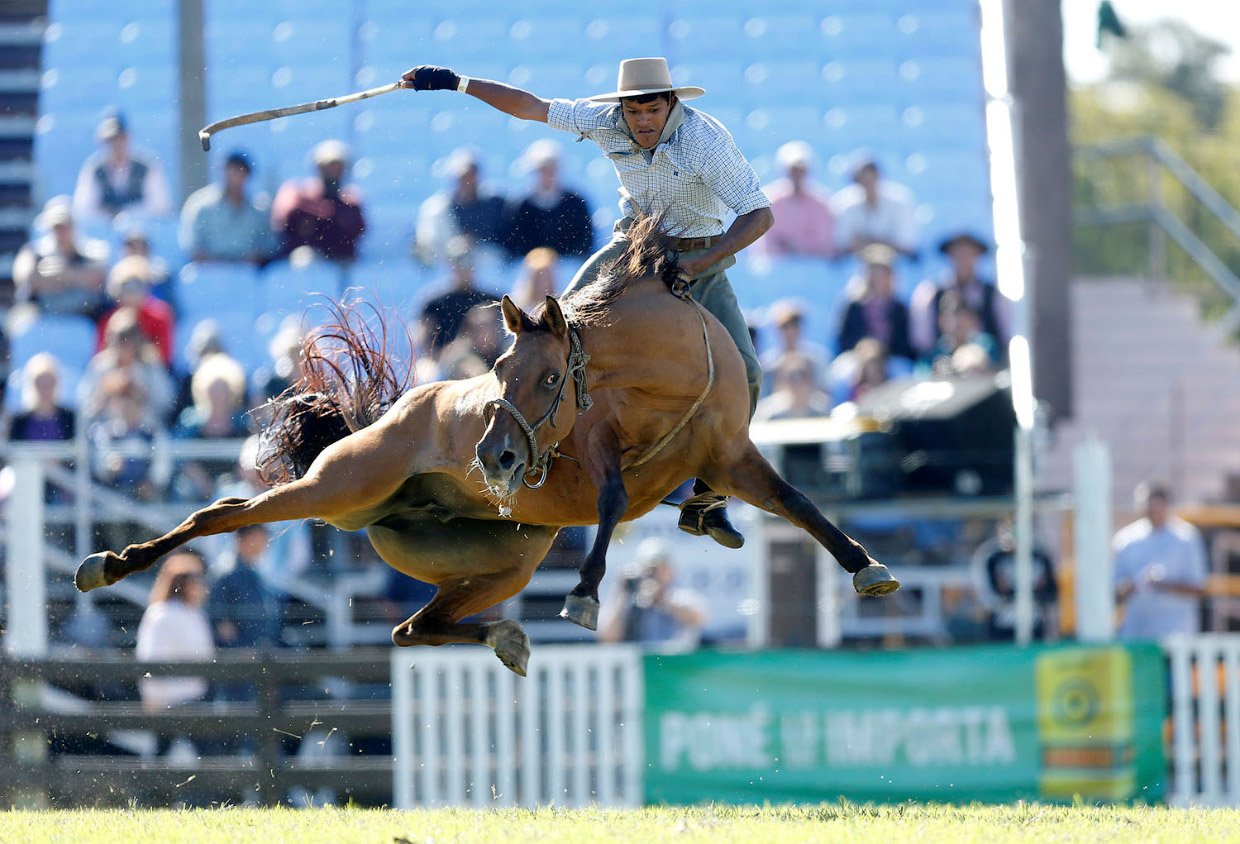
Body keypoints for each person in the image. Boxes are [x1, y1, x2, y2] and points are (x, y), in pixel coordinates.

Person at [402, 58, 774, 548]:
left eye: (653, 110)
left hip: (700, 256)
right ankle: (532, 450)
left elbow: (760, 215)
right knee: (549, 333)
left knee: (747, 371)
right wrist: (457, 82)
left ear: (671, 104)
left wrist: (698, 265)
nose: (643, 120)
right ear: (621, 109)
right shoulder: (605, 120)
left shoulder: (705, 140)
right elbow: (530, 107)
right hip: (631, 247)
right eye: (634, 111)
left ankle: (708, 498)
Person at [1113, 483, 1208, 639]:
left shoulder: (1186, 538)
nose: (1153, 512)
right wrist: (1133, 585)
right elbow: (1115, 590)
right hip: (1137, 633)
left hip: (1176, 633)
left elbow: (1198, 587)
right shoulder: (1126, 539)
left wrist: (1162, 584)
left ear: (1166, 506)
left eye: (1157, 507)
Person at [135, 551, 214, 711]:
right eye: (197, 582)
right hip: (169, 701)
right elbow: (150, 657)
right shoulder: (163, 614)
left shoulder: (194, 613)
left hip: (195, 696)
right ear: (185, 585)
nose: (203, 588)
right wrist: (153, 700)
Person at [910, 232, 1009, 358]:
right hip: (943, 363)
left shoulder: (994, 294)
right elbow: (922, 342)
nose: (963, 259)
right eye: (958, 254)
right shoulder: (931, 293)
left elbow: (1006, 336)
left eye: (968, 254)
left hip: (986, 364)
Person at [599, 538, 706, 651]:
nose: (654, 574)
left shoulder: (683, 597)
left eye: (660, 568)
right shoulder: (630, 602)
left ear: (671, 571)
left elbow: (697, 618)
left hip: (677, 660)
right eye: (649, 568)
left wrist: (660, 597)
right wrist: (621, 592)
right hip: (641, 660)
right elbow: (608, 638)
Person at [13, 196, 109, 318]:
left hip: (84, 317)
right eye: (57, 227)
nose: (61, 232)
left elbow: (100, 278)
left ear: (74, 226)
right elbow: (26, 280)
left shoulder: (92, 253)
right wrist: (78, 278)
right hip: (44, 318)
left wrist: (63, 275)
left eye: (65, 226)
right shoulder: (33, 253)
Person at [271, 139, 366, 262]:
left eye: (338, 168)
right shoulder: (299, 194)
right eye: (328, 167)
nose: (333, 173)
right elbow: (283, 225)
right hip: (303, 259)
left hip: (339, 261)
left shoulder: (351, 202)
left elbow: (355, 235)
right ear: (318, 168)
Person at [501, 139, 594, 261]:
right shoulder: (519, 206)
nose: (547, 175)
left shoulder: (576, 204)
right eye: (542, 170)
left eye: (551, 170)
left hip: (569, 266)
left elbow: (585, 243)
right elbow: (512, 246)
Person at [78, 307, 175, 424]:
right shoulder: (100, 366)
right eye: (119, 342)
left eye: (128, 342)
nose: (123, 348)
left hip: (144, 428)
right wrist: (105, 391)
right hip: (104, 427)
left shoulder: (149, 365)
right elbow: (84, 405)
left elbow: (165, 403)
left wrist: (137, 392)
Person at [72, 110, 172, 222]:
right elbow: (83, 210)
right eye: (110, 140)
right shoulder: (94, 169)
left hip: (141, 229)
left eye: (119, 138)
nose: (115, 144)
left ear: (127, 137)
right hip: (105, 230)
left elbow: (161, 207)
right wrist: (109, 215)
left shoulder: (146, 167)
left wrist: (128, 215)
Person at [180, 149, 276, 264]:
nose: (235, 178)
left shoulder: (258, 211)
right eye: (231, 171)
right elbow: (192, 246)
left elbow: (268, 247)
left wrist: (250, 261)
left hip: (246, 271)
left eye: (240, 172)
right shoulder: (201, 206)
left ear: (247, 175)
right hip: (208, 270)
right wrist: (216, 264)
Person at [415, 147, 507, 265]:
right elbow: (427, 252)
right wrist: (455, 249)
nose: (468, 181)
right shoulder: (436, 210)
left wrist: (476, 244)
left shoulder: (495, 205)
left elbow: (503, 251)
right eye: (463, 177)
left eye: (472, 175)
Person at [974, 517, 1059, 642]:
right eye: (1007, 531)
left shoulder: (1040, 557)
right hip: (1001, 625)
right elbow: (988, 592)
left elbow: (1050, 591)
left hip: (1034, 622)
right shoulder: (992, 558)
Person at [418, 238, 500, 357]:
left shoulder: (493, 301)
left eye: (469, 261)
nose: (465, 267)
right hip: (444, 360)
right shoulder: (434, 303)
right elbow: (422, 339)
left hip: (489, 359)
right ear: (450, 265)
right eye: (460, 261)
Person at [831, 153, 918, 259]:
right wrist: (881, 244)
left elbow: (906, 243)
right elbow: (842, 243)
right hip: (859, 263)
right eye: (859, 179)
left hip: (896, 263)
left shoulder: (900, 200)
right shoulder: (845, 203)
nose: (864, 183)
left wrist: (868, 244)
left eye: (867, 177)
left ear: (877, 175)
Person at [836, 244, 914, 362]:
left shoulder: (899, 309)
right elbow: (845, 339)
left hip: (890, 360)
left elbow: (904, 344)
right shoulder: (854, 306)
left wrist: (882, 352)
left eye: (882, 273)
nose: (878, 278)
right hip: (858, 359)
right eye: (875, 273)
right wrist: (864, 350)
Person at [759, 140, 835, 259]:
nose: (797, 175)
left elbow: (824, 242)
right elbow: (766, 242)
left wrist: (800, 248)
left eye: (801, 170)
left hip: (813, 264)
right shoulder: (771, 201)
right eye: (793, 170)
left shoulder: (821, 203)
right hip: (779, 265)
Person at [96, 255, 175, 366]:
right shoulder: (108, 320)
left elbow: (164, 355)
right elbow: (101, 355)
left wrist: (136, 352)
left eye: (137, 285)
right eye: (126, 286)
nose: (131, 292)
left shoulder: (159, 316)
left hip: (148, 370)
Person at [208, 523, 278, 650]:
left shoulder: (253, 571)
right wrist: (240, 649)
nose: (264, 544)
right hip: (240, 654)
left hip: (257, 650)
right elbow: (221, 624)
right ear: (242, 538)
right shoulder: (227, 572)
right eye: (258, 538)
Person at [759, 298, 830, 395]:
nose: (790, 332)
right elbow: (762, 397)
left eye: (794, 325)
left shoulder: (817, 360)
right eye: (784, 327)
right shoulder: (767, 365)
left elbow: (824, 393)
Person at [9, 352, 75, 442]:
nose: (45, 389)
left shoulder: (70, 418)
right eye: (41, 383)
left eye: (49, 383)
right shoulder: (18, 421)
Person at [754, 352, 832, 422]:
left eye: (803, 375)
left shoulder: (823, 412)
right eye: (792, 377)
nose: (798, 383)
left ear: (811, 380)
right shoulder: (769, 415)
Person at [509, 246, 560, 311]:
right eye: (540, 278)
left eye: (548, 278)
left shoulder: (561, 305)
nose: (545, 283)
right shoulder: (517, 307)